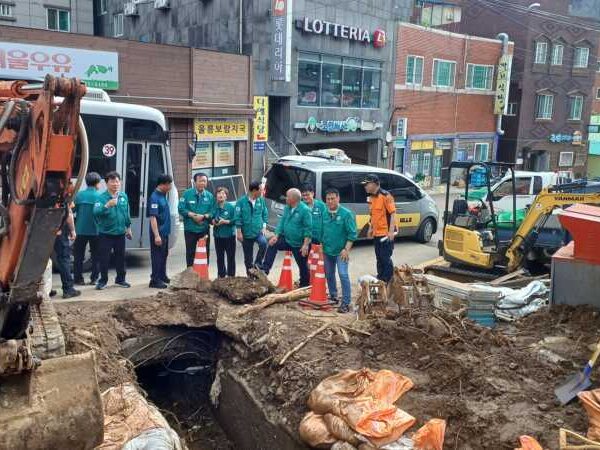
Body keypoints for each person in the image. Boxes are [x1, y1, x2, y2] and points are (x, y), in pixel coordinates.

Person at [261, 188, 312, 287]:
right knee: (272, 244)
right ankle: (265, 269)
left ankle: (304, 286)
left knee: (303, 267)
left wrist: (305, 245)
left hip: (299, 244)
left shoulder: (305, 210)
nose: (285, 198)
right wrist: (276, 236)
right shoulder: (288, 207)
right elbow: (282, 223)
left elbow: (308, 229)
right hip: (287, 240)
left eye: (287, 196)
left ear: (293, 199)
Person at [93, 171, 132, 290]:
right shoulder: (101, 198)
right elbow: (95, 212)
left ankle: (121, 279)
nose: (115, 184)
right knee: (104, 258)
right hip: (106, 234)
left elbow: (126, 213)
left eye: (117, 181)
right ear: (106, 183)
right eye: (112, 181)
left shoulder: (123, 196)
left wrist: (128, 228)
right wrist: (107, 205)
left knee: (120, 257)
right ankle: (103, 281)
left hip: (120, 233)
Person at [321, 188, 357, 313]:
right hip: (327, 251)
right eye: (328, 199)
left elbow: (352, 234)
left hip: (341, 251)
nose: (330, 201)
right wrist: (321, 247)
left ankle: (346, 303)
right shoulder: (324, 213)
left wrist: (346, 250)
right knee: (329, 274)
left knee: (343, 274)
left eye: (332, 198)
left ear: (338, 198)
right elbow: (321, 232)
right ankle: (333, 296)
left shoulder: (346, 214)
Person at [362, 174, 396, 283]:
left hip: (386, 234)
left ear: (374, 183)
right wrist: (370, 228)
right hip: (377, 234)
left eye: (367, 184)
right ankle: (381, 279)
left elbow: (393, 214)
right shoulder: (371, 198)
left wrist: (391, 232)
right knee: (379, 258)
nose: (365, 187)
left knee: (385, 259)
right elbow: (373, 215)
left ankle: (388, 282)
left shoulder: (386, 196)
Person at [178, 172, 215, 267]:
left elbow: (213, 211)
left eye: (204, 181)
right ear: (195, 182)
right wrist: (193, 215)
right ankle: (190, 275)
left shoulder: (210, 196)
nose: (203, 183)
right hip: (190, 230)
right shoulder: (187, 194)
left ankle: (204, 276)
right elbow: (181, 208)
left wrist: (204, 216)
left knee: (204, 252)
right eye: (200, 181)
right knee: (190, 253)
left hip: (204, 230)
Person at [73, 172, 101, 285]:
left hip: (80, 230)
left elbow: (73, 210)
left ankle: (78, 279)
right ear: (97, 184)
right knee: (96, 256)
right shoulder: (100, 197)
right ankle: (94, 278)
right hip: (96, 230)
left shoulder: (79, 195)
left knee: (78, 256)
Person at [235, 180, 268, 275]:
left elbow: (265, 213)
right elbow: (238, 217)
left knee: (263, 243)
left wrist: (264, 226)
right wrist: (239, 232)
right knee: (248, 257)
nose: (262, 192)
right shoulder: (241, 202)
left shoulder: (261, 200)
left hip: (258, 231)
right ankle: (250, 275)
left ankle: (258, 263)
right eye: (261, 190)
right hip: (246, 233)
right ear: (254, 191)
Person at [148, 174, 173, 288]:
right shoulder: (154, 197)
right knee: (157, 256)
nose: (170, 187)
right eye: (169, 185)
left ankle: (162, 275)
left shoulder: (163, 195)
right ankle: (155, 280)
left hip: (165, 231)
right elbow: (153, 218)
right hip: (158, 232)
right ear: (163, 184)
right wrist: (156, 235)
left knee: (164, 254)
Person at [53, 206, 81, 299]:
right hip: (59, 232)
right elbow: (69, 214)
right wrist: (73, 230)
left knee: (43, 261)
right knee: (64, 259)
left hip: (43, 230)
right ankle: (68, 289)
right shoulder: (63, 196)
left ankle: (45, 289)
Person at [212, 186, 236, 278]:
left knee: (230, 257)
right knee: (220, 257)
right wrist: (213, 221)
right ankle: (221, 275)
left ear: (226, 196)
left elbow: (235, 220)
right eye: (218, 193)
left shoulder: (230, 207)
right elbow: (211, 218)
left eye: (223, 193)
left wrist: (225, 221)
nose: (220, 195)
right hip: (218, 236)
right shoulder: (214, 206)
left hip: (229, 236)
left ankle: (231, 275)